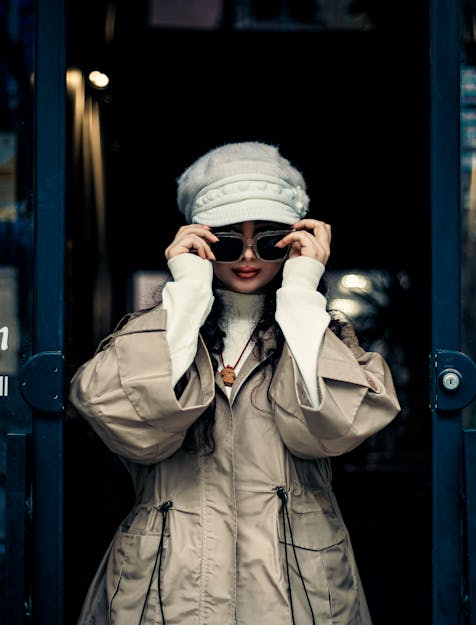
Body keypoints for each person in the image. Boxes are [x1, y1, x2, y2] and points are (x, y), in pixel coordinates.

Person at [69, 141, 401, 625]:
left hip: (293, 584)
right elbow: (122, 420)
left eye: (268, 241)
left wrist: (300, 294)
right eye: (226, 241)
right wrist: (185, 298)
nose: (247, 256)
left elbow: (335, 428)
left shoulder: (317, 333)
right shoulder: (157, 331)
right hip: (168, 584)